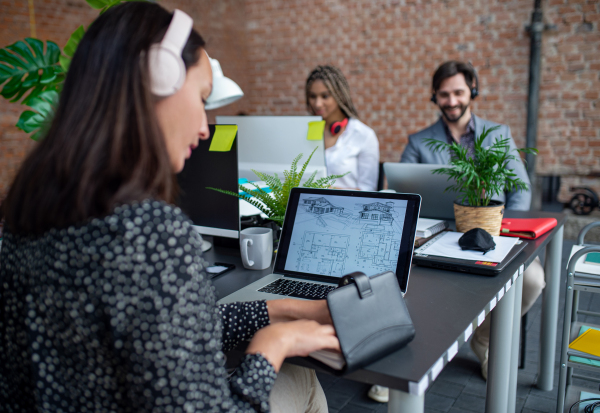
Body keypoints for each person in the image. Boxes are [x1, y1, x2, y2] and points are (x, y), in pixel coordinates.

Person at [0, 3, 340, 412]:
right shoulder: (149, 231)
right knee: (301, 375)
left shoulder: (25, 209)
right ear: (156, 83)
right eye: (200, 98)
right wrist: (273, 346)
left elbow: (165, 333)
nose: (203, 125)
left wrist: (283, 308)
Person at [367, 60, 547, 403]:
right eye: (444, 94)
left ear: (473, 91)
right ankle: (395, 366)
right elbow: (401, 188)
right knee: (406, 277)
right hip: (437, 234)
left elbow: (520, 190)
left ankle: (484, 338)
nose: (451, 100)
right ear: (435, 96)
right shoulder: (419, 141)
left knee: (535, 280)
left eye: (458, 92)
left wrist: (507, 230)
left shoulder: (497, 135)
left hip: (492, 233)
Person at [305, 65, 380, 191]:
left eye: (325, 96)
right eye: (313, 96)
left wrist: (328, 191)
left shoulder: (363, 135)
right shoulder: (307, 131)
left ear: (339, 95)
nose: (317, 104)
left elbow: (368, 190)